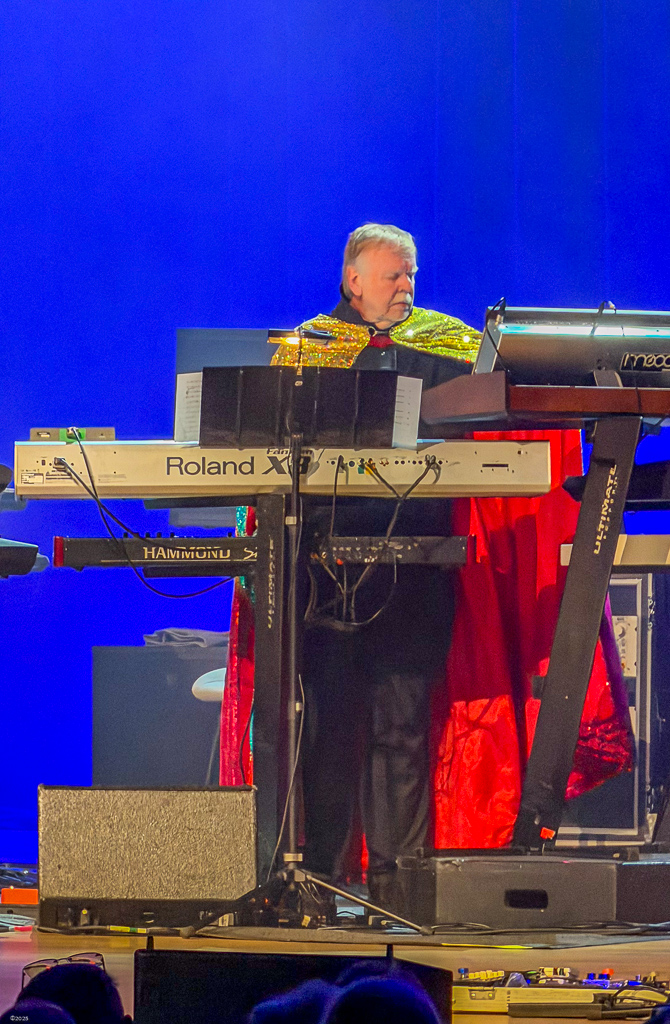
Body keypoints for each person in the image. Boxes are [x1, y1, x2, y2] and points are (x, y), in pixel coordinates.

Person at [221, 224, 480, 910]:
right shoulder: (308, 347)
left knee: (403, 728)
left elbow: (490, 417)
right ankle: (323, 881)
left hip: (416, 571)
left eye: (412, 275)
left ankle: (400, 887)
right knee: (330, 730)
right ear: (353, 280)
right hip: (327, 575)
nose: (407, 288)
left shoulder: (450, 344)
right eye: (394, 276)